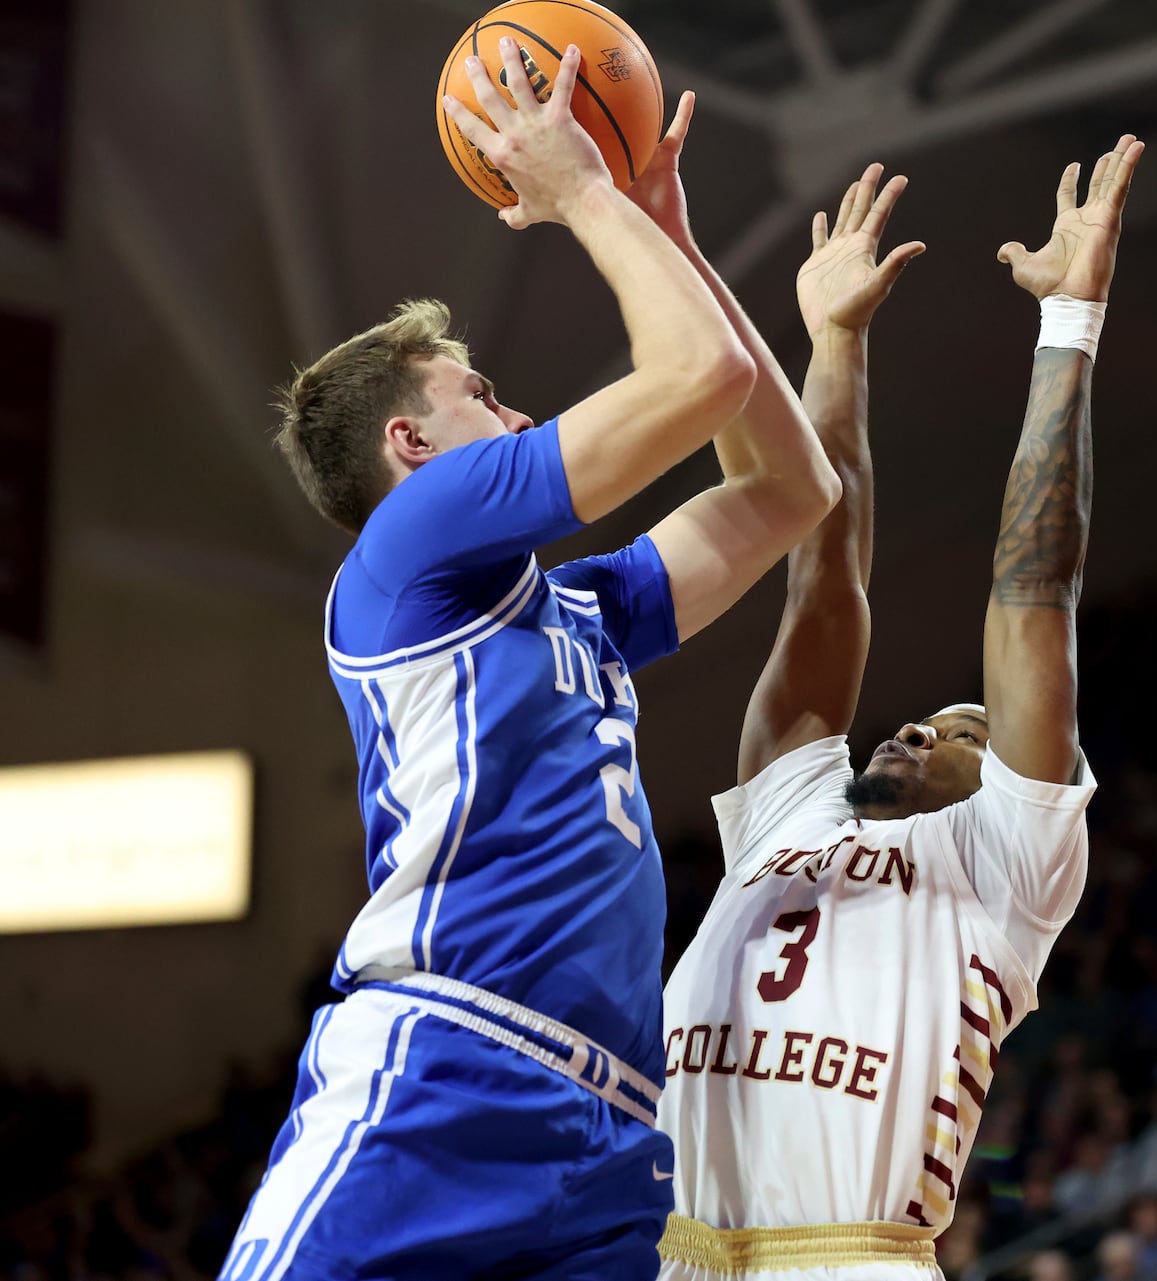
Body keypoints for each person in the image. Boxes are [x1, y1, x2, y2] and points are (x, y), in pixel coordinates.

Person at [220, 48, 840, 1281]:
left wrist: (670, 238)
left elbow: (790, 489)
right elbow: (696, 377)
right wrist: (580, 196)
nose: (513, 413)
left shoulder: (573, 612)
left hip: (609, 1131)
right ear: (410, 443)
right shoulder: (413, 541)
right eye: (480, 393)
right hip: (447, 1069)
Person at [657, 135, 1144, 1277]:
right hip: (665, 1252)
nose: (922, 725)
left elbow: (1032, 589)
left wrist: (1067, 323)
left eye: (966, 731)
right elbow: (822, 578)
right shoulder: (789, 812)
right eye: (923, 716)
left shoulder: (1004, 861)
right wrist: (835, 342)